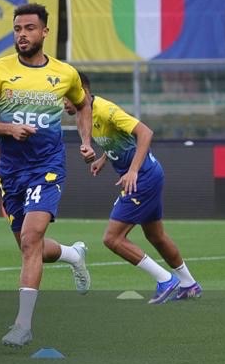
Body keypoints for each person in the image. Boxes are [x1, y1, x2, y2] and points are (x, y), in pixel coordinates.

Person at [0, 2, 93, 349]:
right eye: (17, 29)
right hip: (11, 171)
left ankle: (22, 325)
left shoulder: (64, 73)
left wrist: (86, 141)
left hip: (47, 167)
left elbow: (83, 104)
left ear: (44, 32)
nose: (22, 35)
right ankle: (72, 254)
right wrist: (8, 128)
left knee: (30, 239)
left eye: (29, 28)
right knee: (29, 246)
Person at [66, 73, 202, 304]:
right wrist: (104, 158)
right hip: (148, 175)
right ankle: (189, 284)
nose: (64, 103)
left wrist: (133, 170)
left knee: (112, 238)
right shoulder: (83, 115)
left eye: (67, 97)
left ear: (83, 92)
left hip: (142, 178)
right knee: (155, 236)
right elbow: (117, 140)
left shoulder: (106, 110)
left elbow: (145, 133)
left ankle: (165, 280)